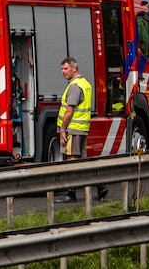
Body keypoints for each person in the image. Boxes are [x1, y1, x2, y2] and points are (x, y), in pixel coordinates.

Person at [54, 57, 107, 203]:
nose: (63, 72)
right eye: (62, 69)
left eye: (65, 69)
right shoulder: (85, 84)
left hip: (73, 129)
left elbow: (69, 110)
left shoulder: (75, 86)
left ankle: (71, 194)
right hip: (82, 128)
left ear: (74, 68)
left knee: (72, 161)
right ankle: (100, 185)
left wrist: (63, 130)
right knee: (82, 161)